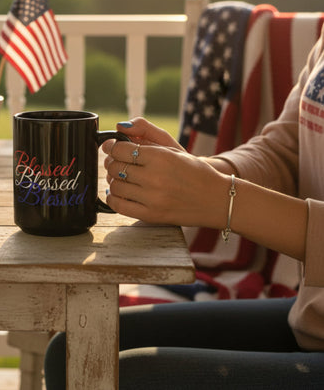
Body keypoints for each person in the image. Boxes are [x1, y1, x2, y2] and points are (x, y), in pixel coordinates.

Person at [44, 31, 324, 389]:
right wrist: (195, 174)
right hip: (312, 316)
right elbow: (285, 150)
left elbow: (229, 196)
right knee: (69, 352)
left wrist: (222, 200)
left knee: (123, 377)